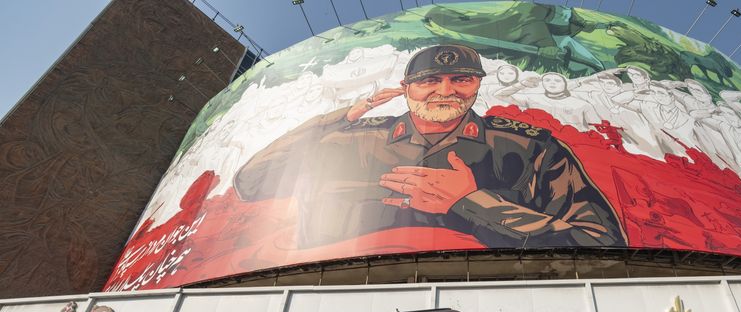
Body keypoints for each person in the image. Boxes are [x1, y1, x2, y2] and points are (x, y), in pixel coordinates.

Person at [234, 44, 625, 250]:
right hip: (333, 302)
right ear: (406, 89)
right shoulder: (349, 140)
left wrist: (474, 203)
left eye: (461, 79)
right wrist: (339, 118)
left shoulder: (528, 149)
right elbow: (251, 183)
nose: (446, 90)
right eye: (430, 81)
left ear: (477, 85)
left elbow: (601, 243)